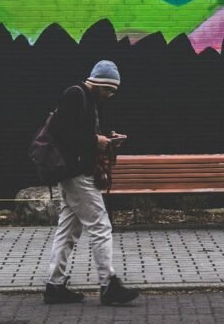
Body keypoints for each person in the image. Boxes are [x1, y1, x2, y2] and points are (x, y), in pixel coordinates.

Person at [43, 60, 140, 306]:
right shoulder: (75, 95)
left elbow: (77, 134)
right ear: (99, 83)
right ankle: (109, 286)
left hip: (74, 173)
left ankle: (55, 286)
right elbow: (61, 132)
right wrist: (95, 140)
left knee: (68, 230)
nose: (109, 95)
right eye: (109, 90)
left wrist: (106, 140)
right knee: (100, 226)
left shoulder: (87, 99)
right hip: (77, 174)